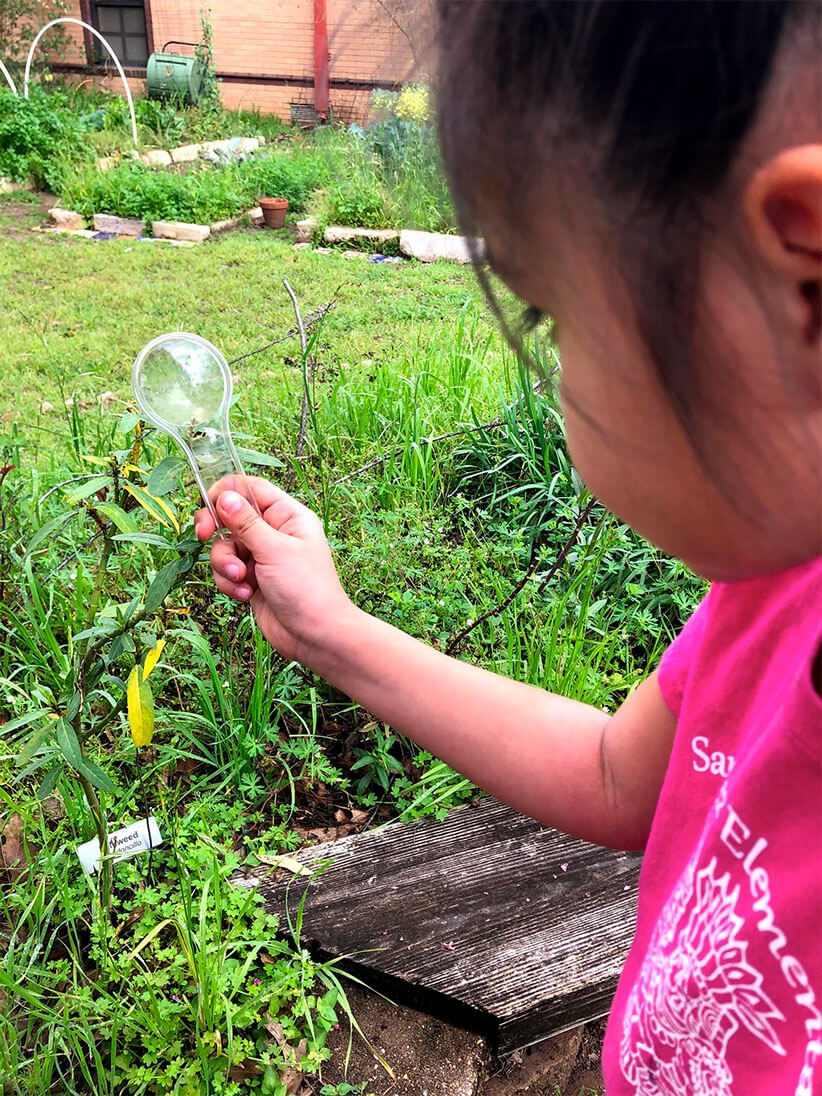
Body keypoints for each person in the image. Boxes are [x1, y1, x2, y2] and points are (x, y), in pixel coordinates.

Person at [195, 3, 821, 1093]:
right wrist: (332, 631)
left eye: (553, 317)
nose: (563, 379)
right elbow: (621, 775)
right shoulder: (769, 591)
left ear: (806, 273)